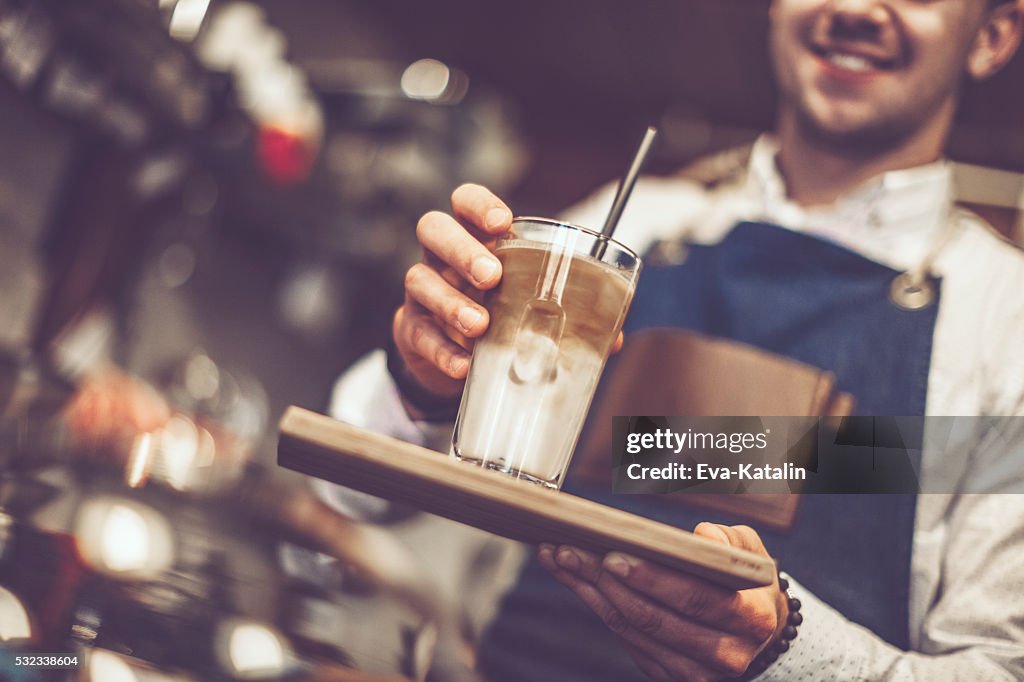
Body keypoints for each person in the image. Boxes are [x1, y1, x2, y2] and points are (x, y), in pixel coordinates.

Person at [326, 0, 1024, 679]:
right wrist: (424, 384)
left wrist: (794, 658)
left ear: (992, 35)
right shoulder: (625, 231)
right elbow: (345, 503)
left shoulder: (1006, 321)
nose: (856, 8)